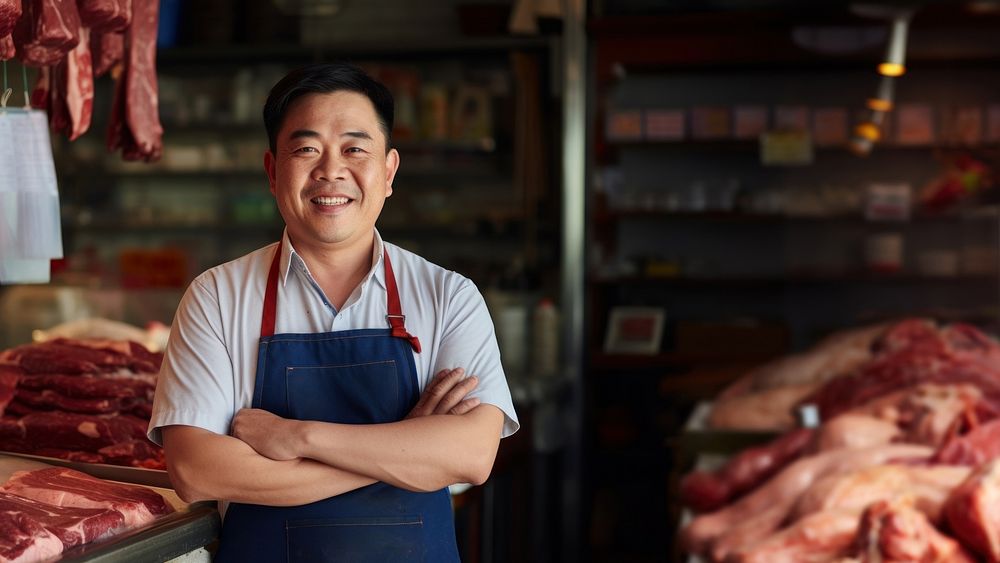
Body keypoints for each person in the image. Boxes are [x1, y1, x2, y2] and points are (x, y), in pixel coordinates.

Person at [147, 62, 519, 562]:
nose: (330, 170)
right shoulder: (216, 296)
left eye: (354, 149)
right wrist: (405, 448)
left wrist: (293, 436)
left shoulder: (448, 296)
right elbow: (196, 472)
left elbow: (472, 456)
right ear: (272, 170)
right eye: (306, 149)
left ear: (388, 172)